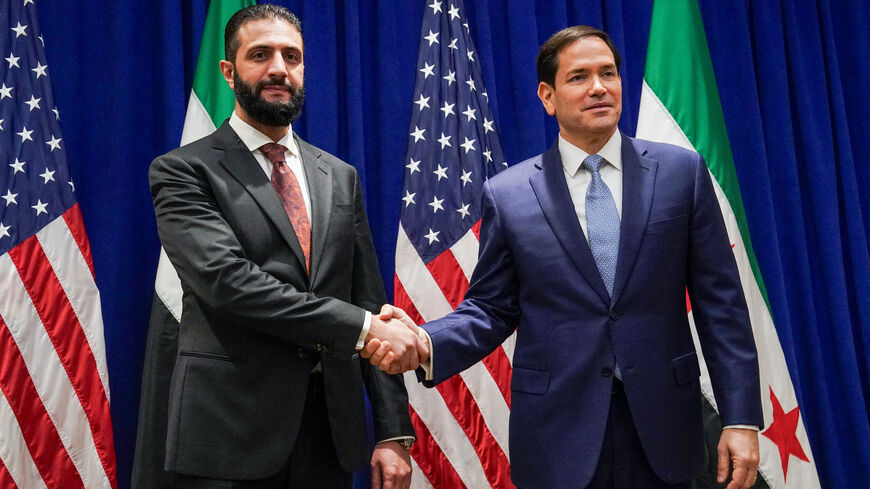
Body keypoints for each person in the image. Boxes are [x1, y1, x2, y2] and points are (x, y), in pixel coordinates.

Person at [366, 26, 763, 489]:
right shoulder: (508, 195)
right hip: (558, 435)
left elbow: (721, 305)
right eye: (579, 77)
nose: (599, 87)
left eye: (608, 73)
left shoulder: (681, 173)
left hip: (666, 429)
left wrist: (741, 418)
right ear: (547, 96)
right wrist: (425, 341)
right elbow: (491, 309)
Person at [148, 5, 426, 488]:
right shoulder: (183, 170)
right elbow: (228, 283)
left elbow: (367, 295)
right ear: (229, 72)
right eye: (261, 55)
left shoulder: (339, 175)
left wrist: (393, 432)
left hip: (330, 434)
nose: (279, 68)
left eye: (291, 56)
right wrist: (364, 329)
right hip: (231, 432)